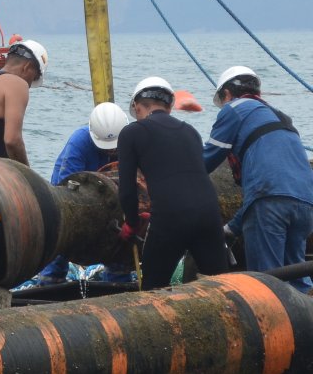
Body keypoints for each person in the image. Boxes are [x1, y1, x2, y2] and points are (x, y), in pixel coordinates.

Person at [203, 66, 313, 292]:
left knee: (268, 282)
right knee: (297, 275)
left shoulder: (234, 108)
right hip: (305, 203)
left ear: (226, 94)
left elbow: (207, 159)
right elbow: (274, 189)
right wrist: (231, 228)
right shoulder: (281, 117)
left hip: (269, 202)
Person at [117, 77, 228, 290]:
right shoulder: (191, 132)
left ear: (137, 107)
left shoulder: (132, 132)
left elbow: (127, 191)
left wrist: (131, 223)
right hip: (209, 215)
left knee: (153, 289)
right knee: (220, 286)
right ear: (169, 106)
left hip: (170, 217)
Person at [17, 102, 131, 288]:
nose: (111, 151)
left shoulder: (129, 141)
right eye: (106, 147)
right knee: (63, 232)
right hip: (77, 196)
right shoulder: (79, 142)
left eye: (114, 147)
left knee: (119, 245)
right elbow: (67, 187)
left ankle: (117, 284)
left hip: (113, 201)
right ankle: (50, 283)